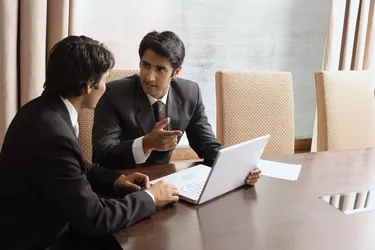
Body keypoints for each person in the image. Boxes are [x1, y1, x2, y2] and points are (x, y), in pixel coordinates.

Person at [0, 35, 178, 250]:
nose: (106, 86)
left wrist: (116, 180)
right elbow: (95, 219)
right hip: (40, 240)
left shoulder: (41, 110)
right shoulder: (52, 133)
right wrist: (150, 197)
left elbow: (73, 166)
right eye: (104, 80)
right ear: (87, 87)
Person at [92, 30, 261, 185]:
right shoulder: (114, 93)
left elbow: (206, 145)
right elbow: (101, 155)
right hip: (122, 185)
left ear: (176, 72)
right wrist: (145, 144)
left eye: (160, 69)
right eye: (146, 65)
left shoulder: (190, 93)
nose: (150, 77)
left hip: (165, 182)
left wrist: (239, 167)